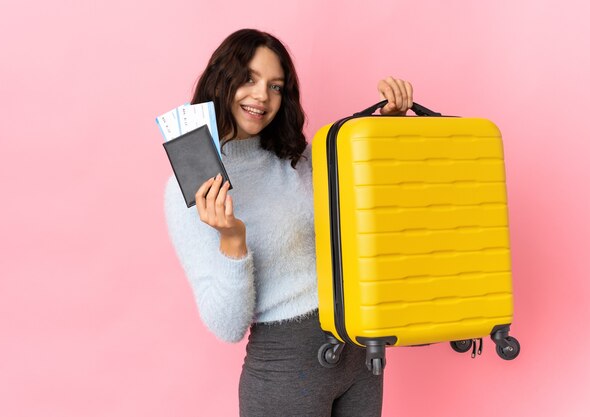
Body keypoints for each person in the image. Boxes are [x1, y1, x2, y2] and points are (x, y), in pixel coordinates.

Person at [164, 28, 413, 417]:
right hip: (286, 372)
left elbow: (378, 207)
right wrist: (232, 240)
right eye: (248, 78)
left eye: (276, 86)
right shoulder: (192, 190)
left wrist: (390, 127)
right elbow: (227, 327)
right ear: (221, 78)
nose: (262, 95)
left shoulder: (299, 158)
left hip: (361, 351)